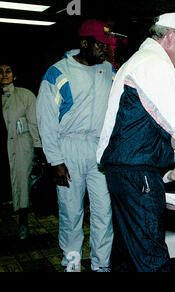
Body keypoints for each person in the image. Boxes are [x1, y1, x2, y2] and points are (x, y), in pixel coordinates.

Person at [96, 13, 175, 272]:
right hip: (137, 172)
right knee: (150, 255)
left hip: (123, 170)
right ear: (169, 37)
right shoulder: (154, 64)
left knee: (127, 254)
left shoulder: (138, 61)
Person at [36, 19, 116, 272]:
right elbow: (46, 120)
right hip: (68, 148)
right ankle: (71, 265)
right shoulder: (58, 72)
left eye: (108, 46)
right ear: (84, 43)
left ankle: (101, 266)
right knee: (71, 215)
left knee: (104, 214)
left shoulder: (110, 71)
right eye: (101, 45)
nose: (106, 50)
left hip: (99, 150)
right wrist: (55, 161)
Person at [0, 63, 43, 240]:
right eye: (0, 72)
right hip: (3, 151)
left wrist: (38, 148)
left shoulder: (25, 95)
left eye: (8, 71)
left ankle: (23, 225)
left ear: (15, 75)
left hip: (20, 149)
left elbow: (34, 123)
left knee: (22, 188)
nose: (4, 75)